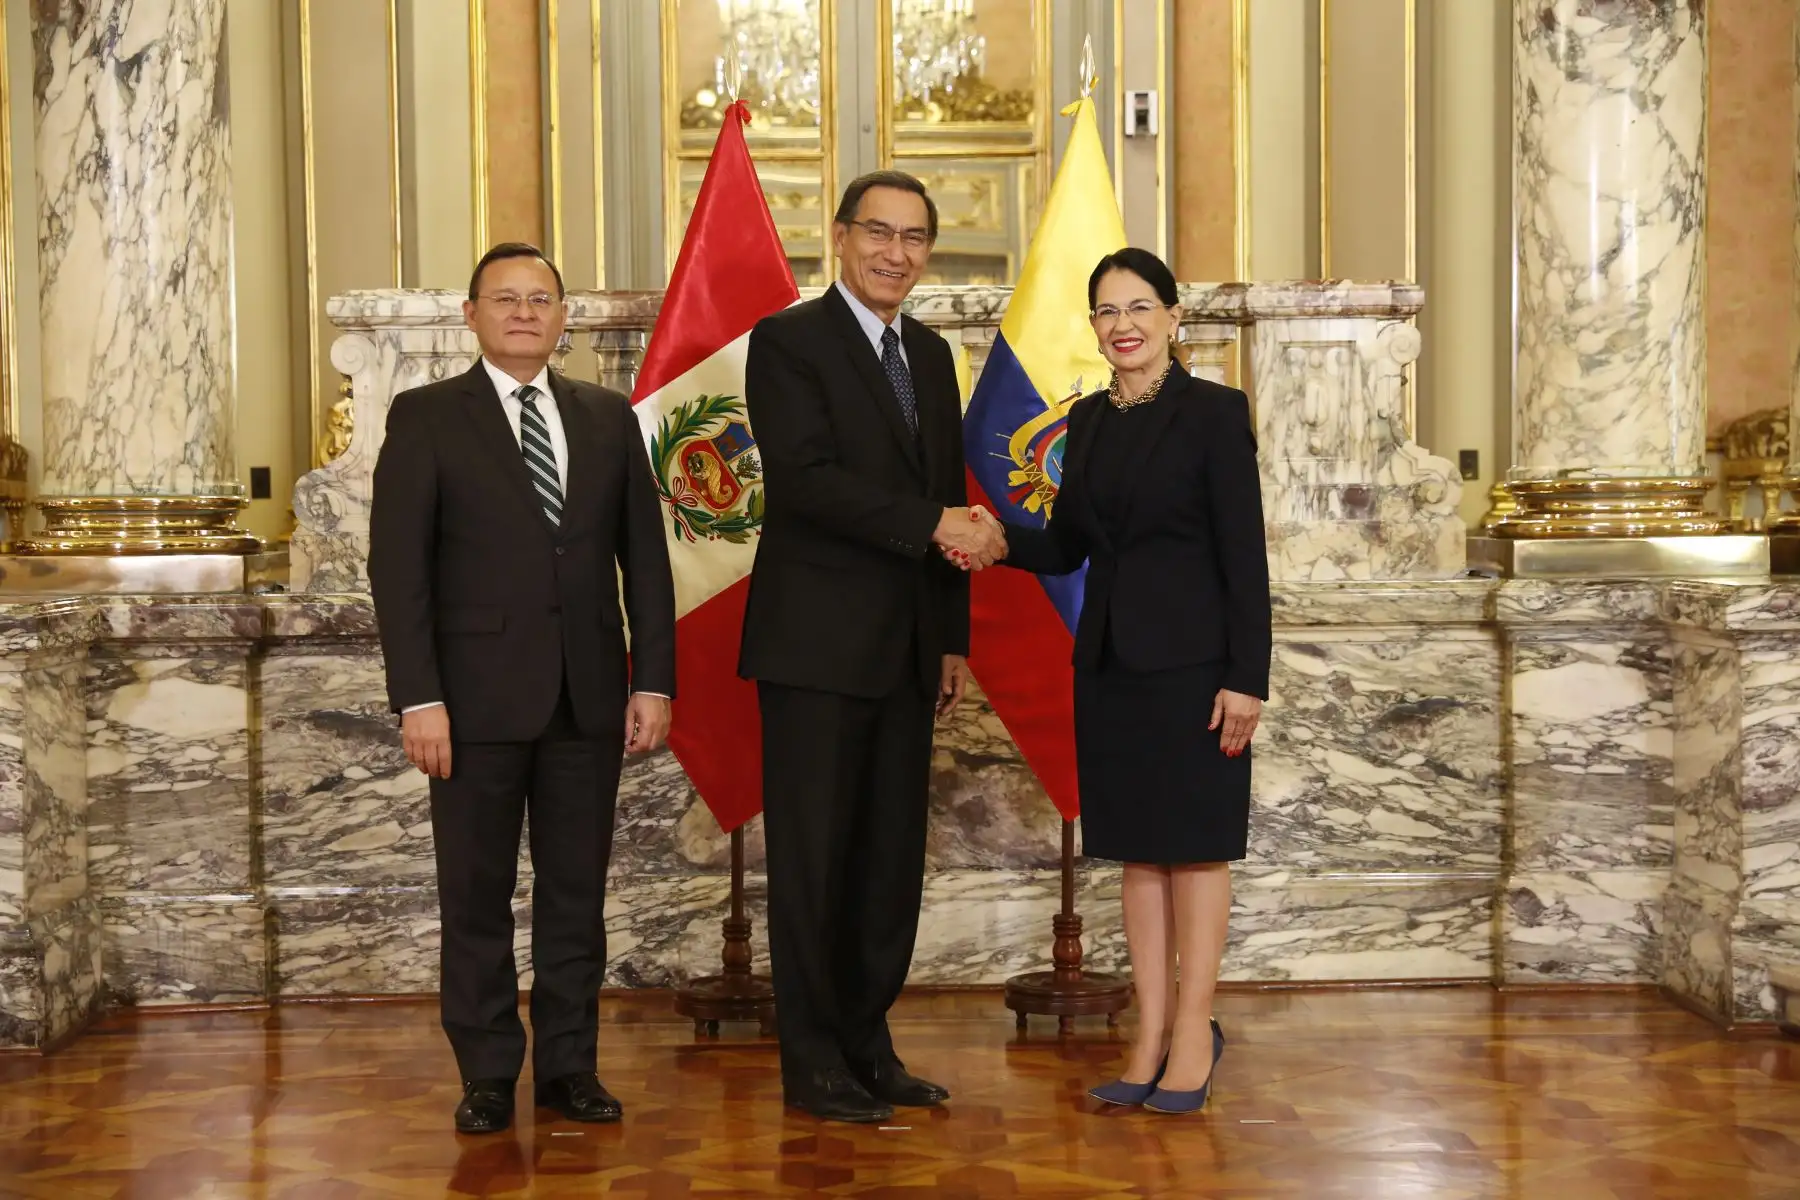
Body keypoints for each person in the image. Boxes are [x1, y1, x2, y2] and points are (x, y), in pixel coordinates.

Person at [368, 242, 676, 1135]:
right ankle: (489, 1074)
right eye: (504, 298)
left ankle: (570, 1069)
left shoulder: (607, 417)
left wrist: (653, 680)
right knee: (476, 896)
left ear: (562, 317)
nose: (523, 312)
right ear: (471, 315)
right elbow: (400, 571)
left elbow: (645, 562)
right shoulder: (427, 416)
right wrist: (418, 698)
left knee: (576, 896)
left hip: (589, 697)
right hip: (470, 706)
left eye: (540, 299)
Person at [976, 247, 1271, 1115]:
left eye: (1140, 306)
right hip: (1109, 667)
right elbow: (1069, 543)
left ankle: (1193, 1034)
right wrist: (996, 539)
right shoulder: (1089, 421)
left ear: (1175, 317)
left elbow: (1244, 557)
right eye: (1107, 311)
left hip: (1196, 671)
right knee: (1139, 855)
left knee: (1196, 850)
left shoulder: (1214, 413)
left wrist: (1246, 677)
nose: (1123, 325)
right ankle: (1148, 1035)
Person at [738, 170, 1003, 1124]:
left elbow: (943, 489)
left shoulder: (929, 353)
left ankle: (866, 1042)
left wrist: (951, 638)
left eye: (915, 238)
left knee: (888, 862)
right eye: (879, 233)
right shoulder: (787, 341)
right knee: (814, 861)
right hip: (814, 649)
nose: (897, 253)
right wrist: (936, 524)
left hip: (907, 651)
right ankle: (811, 1060)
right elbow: (804, 481)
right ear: (842, 237)